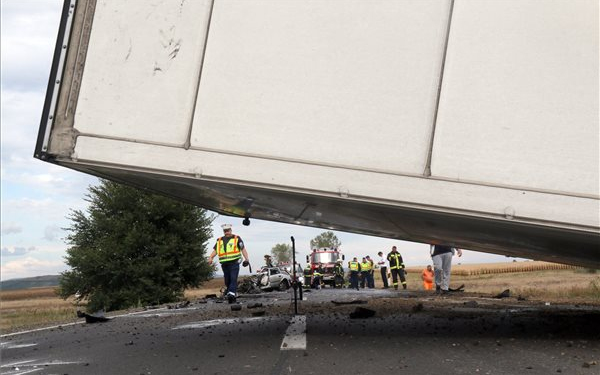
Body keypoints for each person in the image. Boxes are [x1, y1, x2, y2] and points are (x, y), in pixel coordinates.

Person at [207, 224, 250, 304]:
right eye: (225, 231)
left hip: (234, 262)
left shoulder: (237, 238)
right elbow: (215, 250)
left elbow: (243, 249)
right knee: (227, 281)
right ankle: (232, 293)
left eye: (228, 230)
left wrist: (246, 259)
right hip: (224, 264)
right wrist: (210, 258)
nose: (226, 232)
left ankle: (231, 294)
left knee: (233, 278)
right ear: (223, 231)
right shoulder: (219, 240)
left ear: (231, 230)